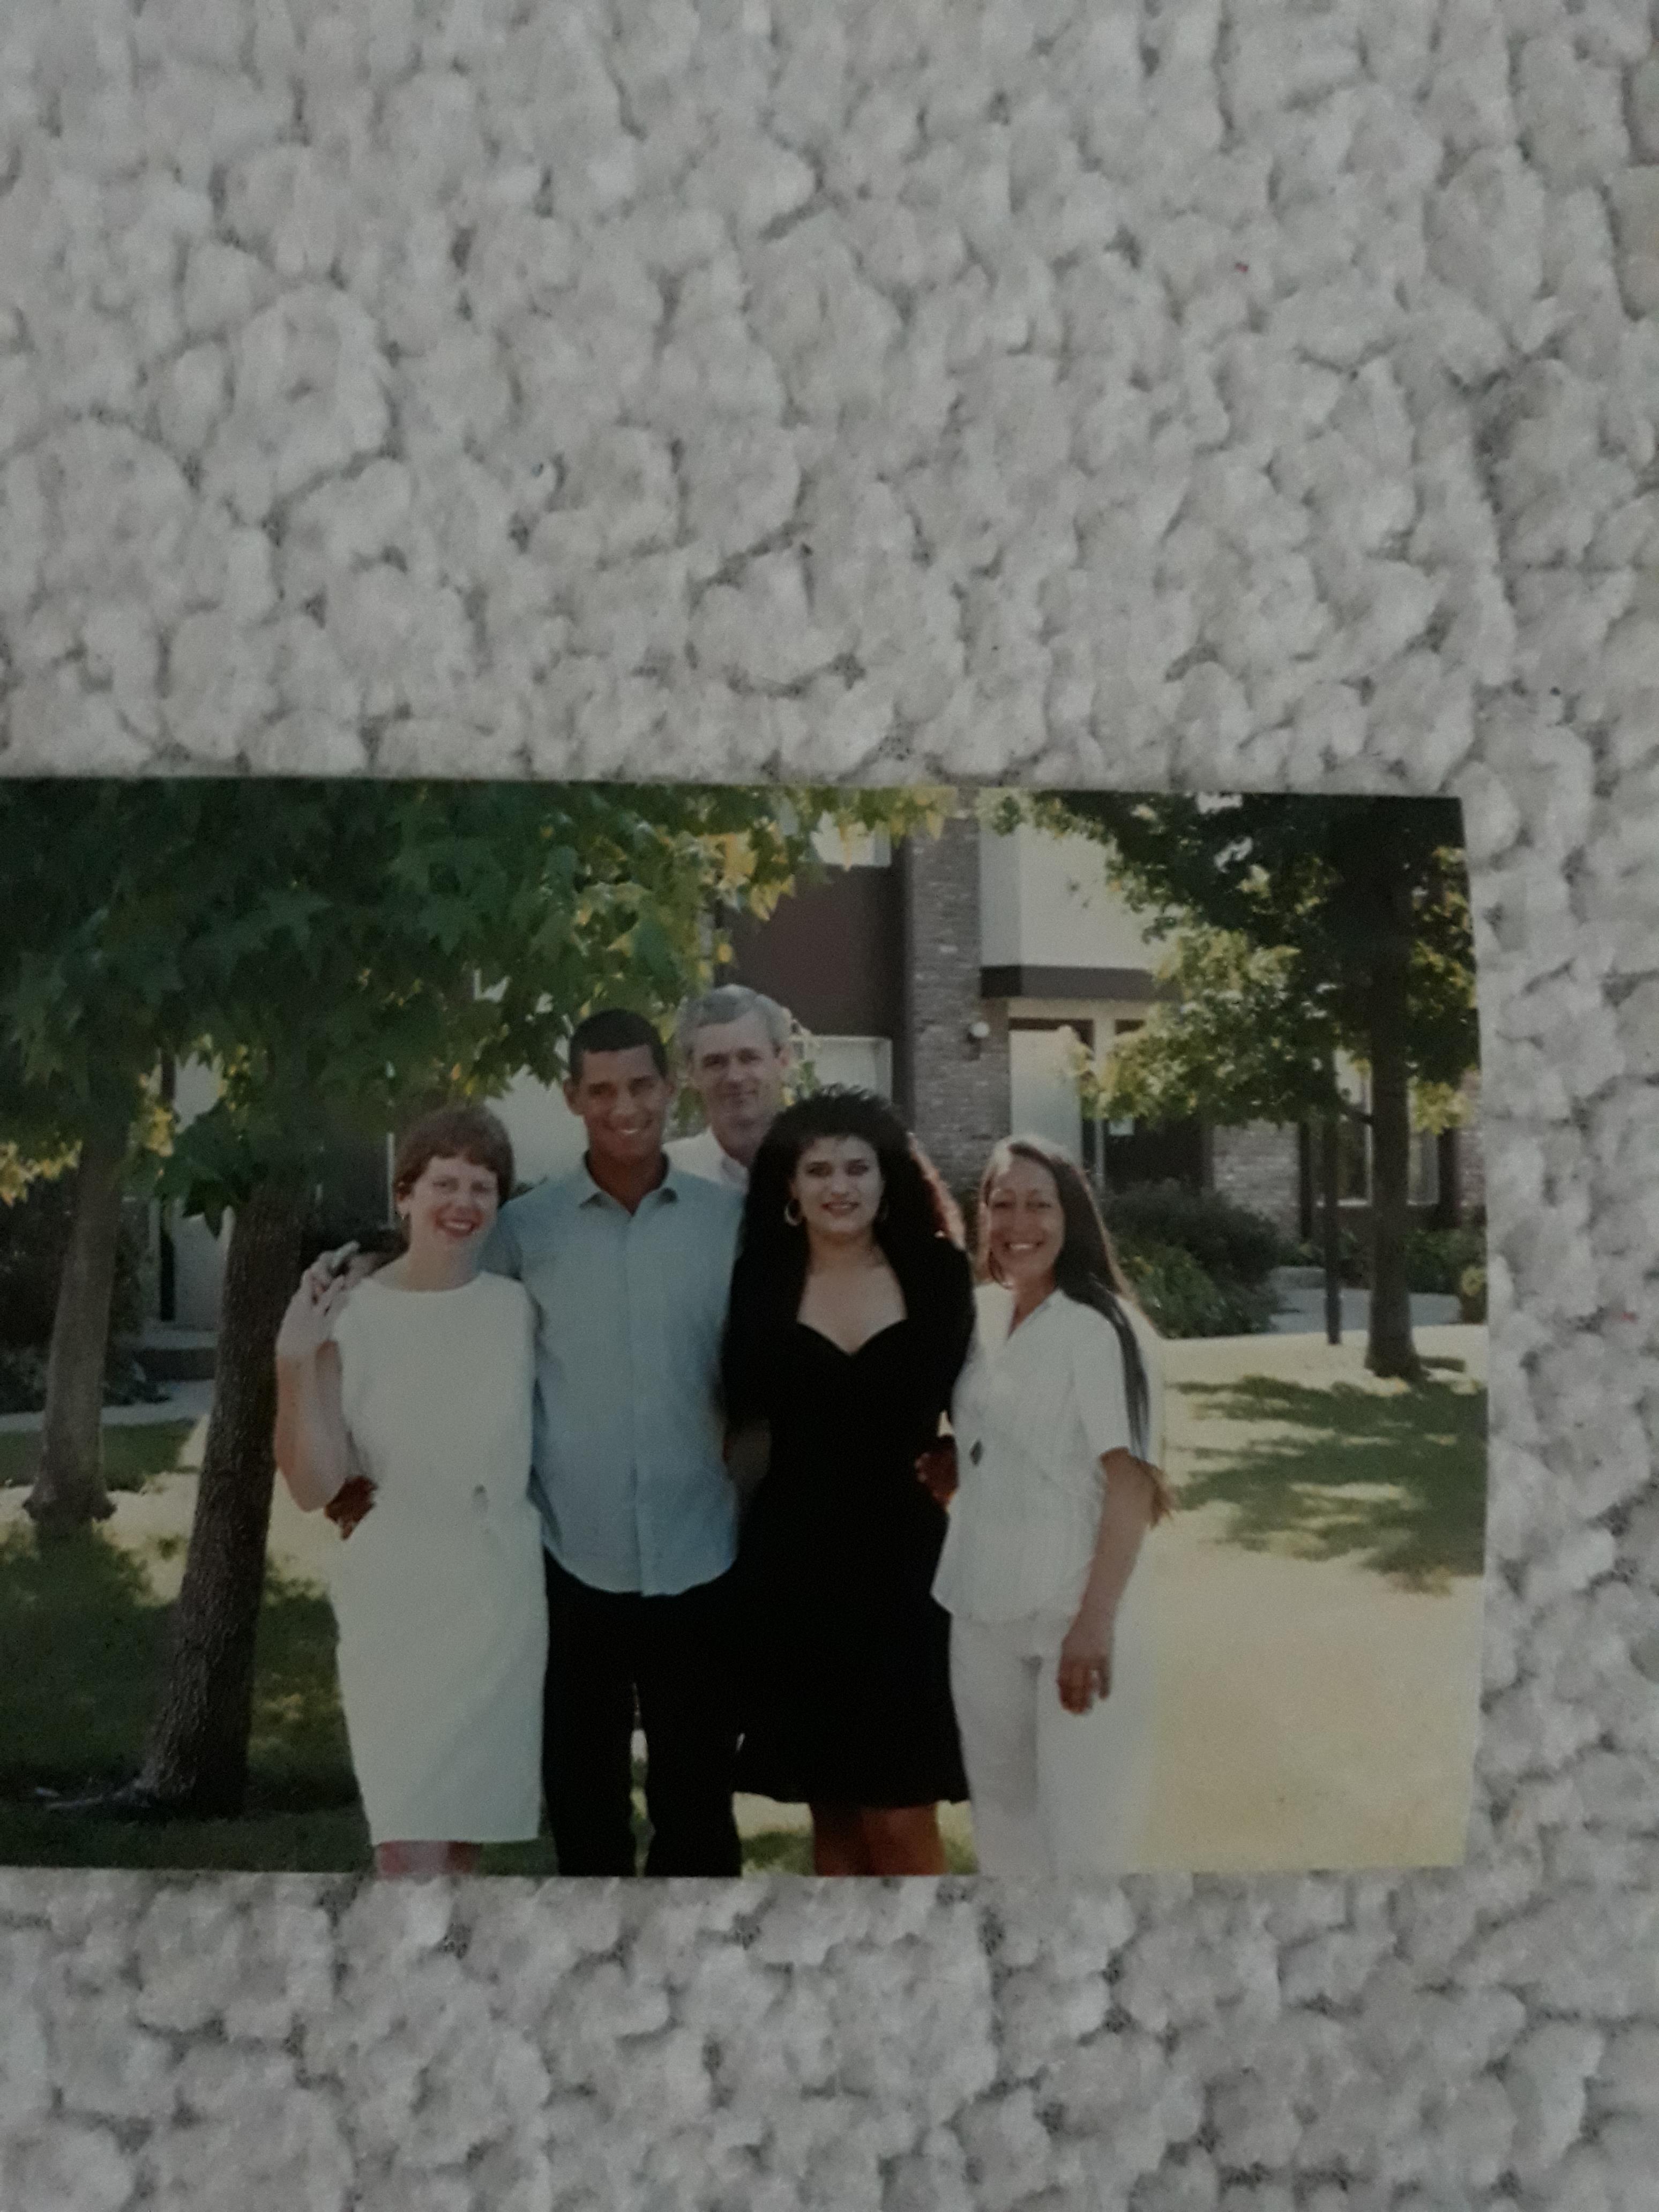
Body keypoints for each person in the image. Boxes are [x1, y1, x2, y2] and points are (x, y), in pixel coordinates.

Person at [483, 1007, 745, 1877]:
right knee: (585, 1817)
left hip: (701, 1556)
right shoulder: (524, 1231)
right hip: (571, 1563)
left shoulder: (731, 1223)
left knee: (699, 1821)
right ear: (571, 1097)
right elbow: (454, 1347)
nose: (623, 1107)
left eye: (640, 1085)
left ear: (670, 1088)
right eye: (601, 1090)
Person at [273, 1106, 544, 1880]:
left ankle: (451, 1962)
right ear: (404, 1196)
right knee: (406, 1842)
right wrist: (295, 1359)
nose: (463, 1203)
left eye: (482, 1187)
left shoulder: (516, 1311)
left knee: (461, 1841)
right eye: (444, 1184)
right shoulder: (350, 1315)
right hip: (396, 1595)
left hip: (498, 1594)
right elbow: (315, 1486)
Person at [722, 1086, 976, 1875]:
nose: (840, 1186)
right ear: (790, 1189)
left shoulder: (938, 1273)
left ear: (888, 1179)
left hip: (907, 1569)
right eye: (819, 1170)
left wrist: (962, 1456)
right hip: (795, 1567)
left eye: (858, 1168)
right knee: (832, 1819)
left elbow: (990, 1402)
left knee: (900, 1820)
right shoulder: (759, 1280)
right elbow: (738, 1416)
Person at [933, 1135, 1172, 1880]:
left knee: (1082, 1846)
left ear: (1072, 1216)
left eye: (1039, 1204)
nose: (1019, 1223)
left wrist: (1093, 1625)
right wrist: (957, 1462)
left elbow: (1131, 1484)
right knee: (1003, 1830)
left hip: (1071, 1612)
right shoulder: (982, 1314)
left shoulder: (1103, 1328)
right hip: (980, 1605)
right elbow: (999, 1430)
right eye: (1002, 1204)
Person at [666, 984, 793, 1193]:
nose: (735, 1077)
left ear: (783, 1061)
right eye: (715, 1062)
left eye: (749, 1058)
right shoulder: (665, 1176)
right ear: (691, 1073)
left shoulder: (821, 1171)